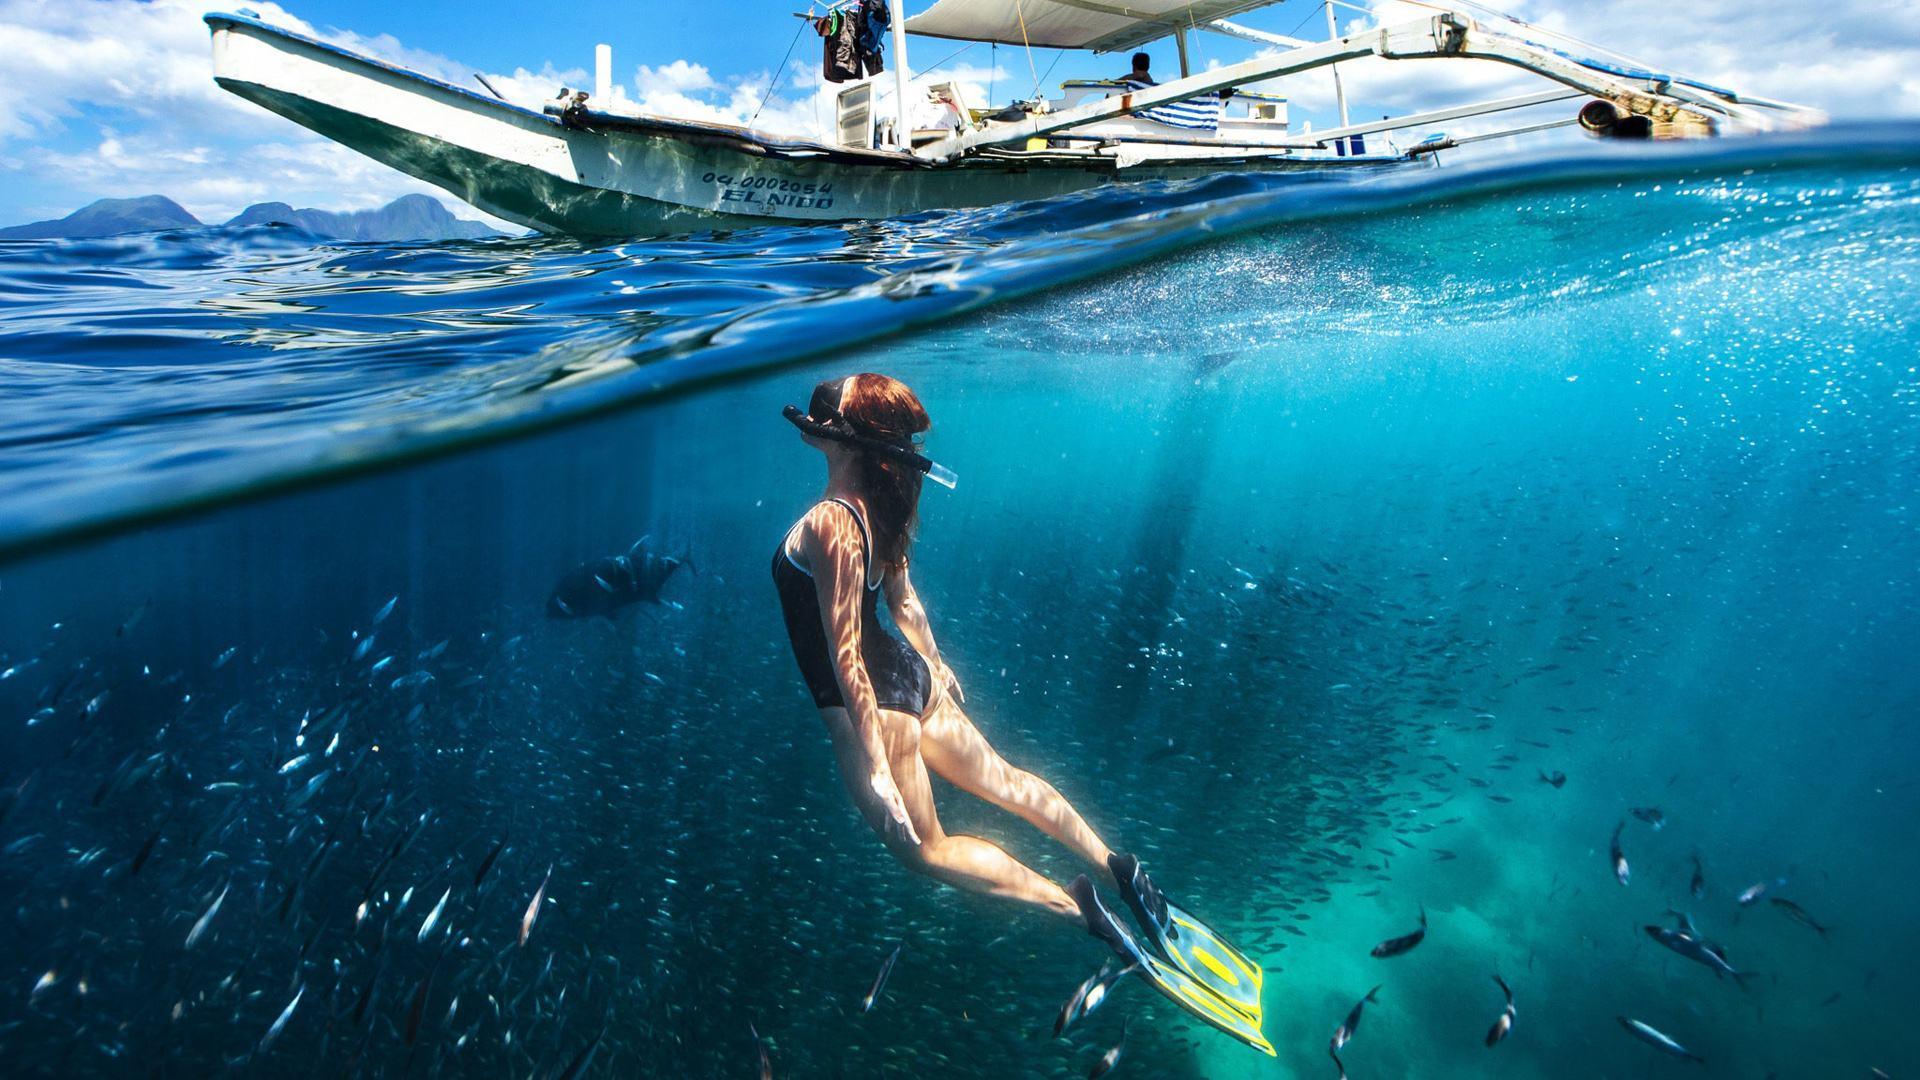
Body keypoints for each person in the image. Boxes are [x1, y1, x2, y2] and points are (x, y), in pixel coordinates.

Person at [772, 374, 1277, 1056]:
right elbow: (905, 605)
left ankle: (1083, 914)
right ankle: (1122, 868)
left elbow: (846, 660)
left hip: (874, 704)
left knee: (927, 848)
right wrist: (935, 664)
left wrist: (878, 768)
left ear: (835, 438)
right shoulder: (883, 511)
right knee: (1008, 779)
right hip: (911, 680)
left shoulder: (833, 520)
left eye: (821, 413)